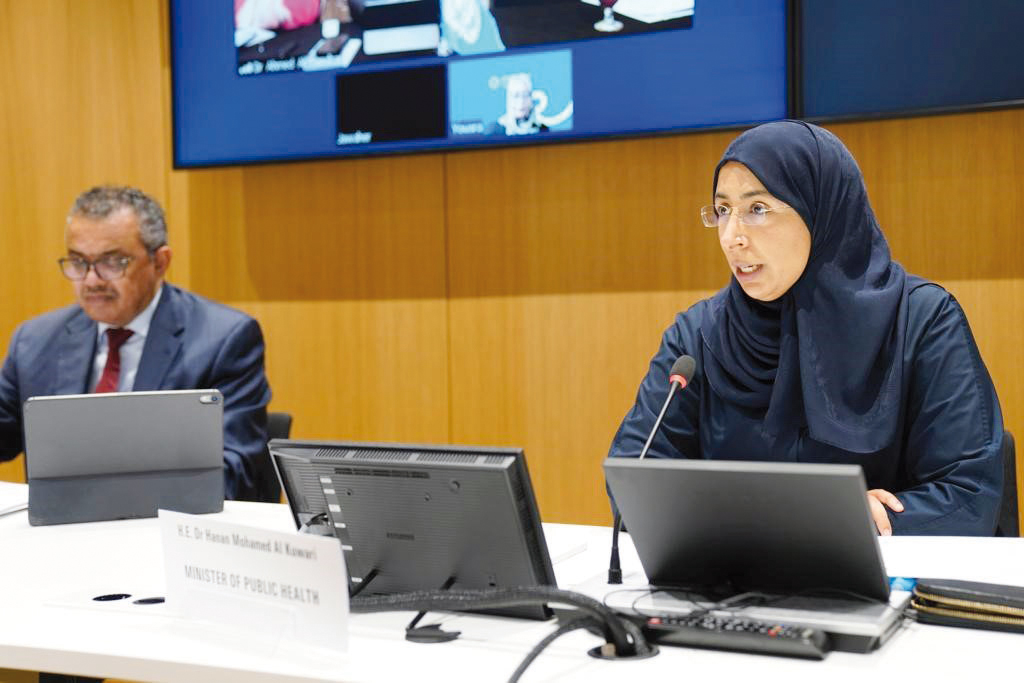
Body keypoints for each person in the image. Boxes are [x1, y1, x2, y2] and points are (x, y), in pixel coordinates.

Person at [608, 120, 1003, 536]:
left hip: (883, 586)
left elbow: (969, 493)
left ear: (822, 212)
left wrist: (853, 523)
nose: (731, 237)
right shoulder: (698, 336)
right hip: (730, 585)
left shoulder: (922, 321)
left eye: (756, 210)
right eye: (723, 211)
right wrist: (806, 518)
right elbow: (634, 474)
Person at [0, 186, 278, 502]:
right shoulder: (35, 342)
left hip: (166, 535)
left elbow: (236, 476)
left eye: (112, 262)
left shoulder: (223, 340)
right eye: (78, 262)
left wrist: (110, 500)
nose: (91, 280)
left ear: (160, 262)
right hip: (59, 537)